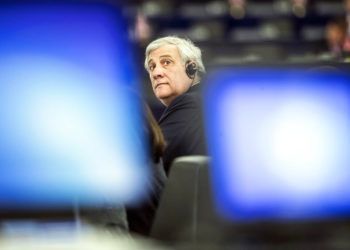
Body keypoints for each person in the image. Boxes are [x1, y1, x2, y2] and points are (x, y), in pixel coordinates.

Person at [144, 36, 208, 174]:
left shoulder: (190, 103)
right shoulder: (205, 100)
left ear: (191, 68)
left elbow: (149, 161)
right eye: (152, 67)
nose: (156, 73)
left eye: (166, 62)